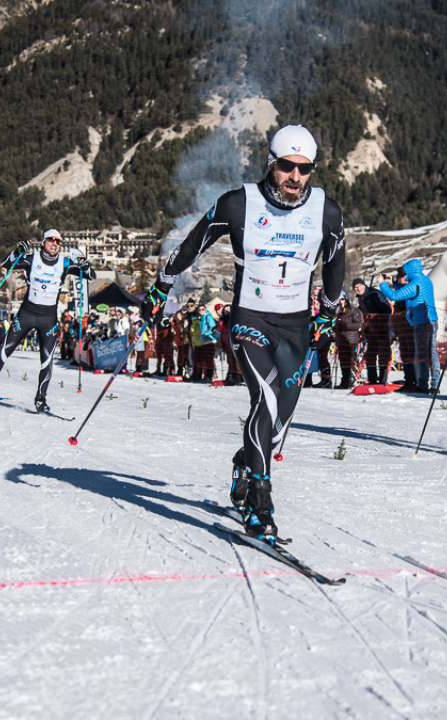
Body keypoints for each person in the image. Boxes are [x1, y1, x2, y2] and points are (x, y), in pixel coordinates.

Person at [141, 124, 345, 541]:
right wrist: (162, 284)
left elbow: (335, 263)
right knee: (265, 402)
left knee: (279, 422)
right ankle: (260, 504)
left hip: (296, 325)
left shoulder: (326, 210)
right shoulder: (239, 204)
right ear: (271, 163)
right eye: (287, 166)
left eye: (304, 169)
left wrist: (328, 310)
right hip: (250, 318)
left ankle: (245, 462)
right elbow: (193, 244)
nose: (295, 177)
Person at [0, 229, 95, 413]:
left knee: (47, 360)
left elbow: (91, 275)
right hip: (26, 314)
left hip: (48, 318)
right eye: (51, 240)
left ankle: (40, 399)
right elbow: (6, 264)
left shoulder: (65, 263)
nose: (55, 244)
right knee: (5, 350)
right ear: (43, 242)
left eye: (58, 242)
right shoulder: (31, 258)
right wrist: (17, 251)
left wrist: (85, 265)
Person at [376, 259, 438, 392]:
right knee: (431, 353)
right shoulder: (424, 280)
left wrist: (382, 283)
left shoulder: (415, 284)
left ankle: (423, 385)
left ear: (410, 270)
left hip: (421, 322)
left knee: (421, 355)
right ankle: (434, 384)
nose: (405, 274)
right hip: (430, 320)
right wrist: (392, 281)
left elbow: (394, 295)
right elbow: (406, 290)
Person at [353, 277, 392, 385]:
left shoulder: (374, 293)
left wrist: (377, 317)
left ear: (364, 286)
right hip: (370, 330)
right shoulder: (360, 298)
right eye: (355, 287)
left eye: (359, 286)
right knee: (370, 355)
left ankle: (383, 381)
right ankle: (373, 380)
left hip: (382, 328)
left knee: (383, 354)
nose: (358, 289)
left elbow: (387, 309)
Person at [332, 292, 363, 388]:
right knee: (343, 361)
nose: (341, 302)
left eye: (342, 299)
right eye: (339, 300)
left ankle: (350, 380)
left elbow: (358, 324)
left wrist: (345, 325)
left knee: (351, 361)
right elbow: (336, 326)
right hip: (341, 339)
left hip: (352, 339)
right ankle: (344, 381)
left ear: (346, 300)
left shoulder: (352, 310)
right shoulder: (338, 311)